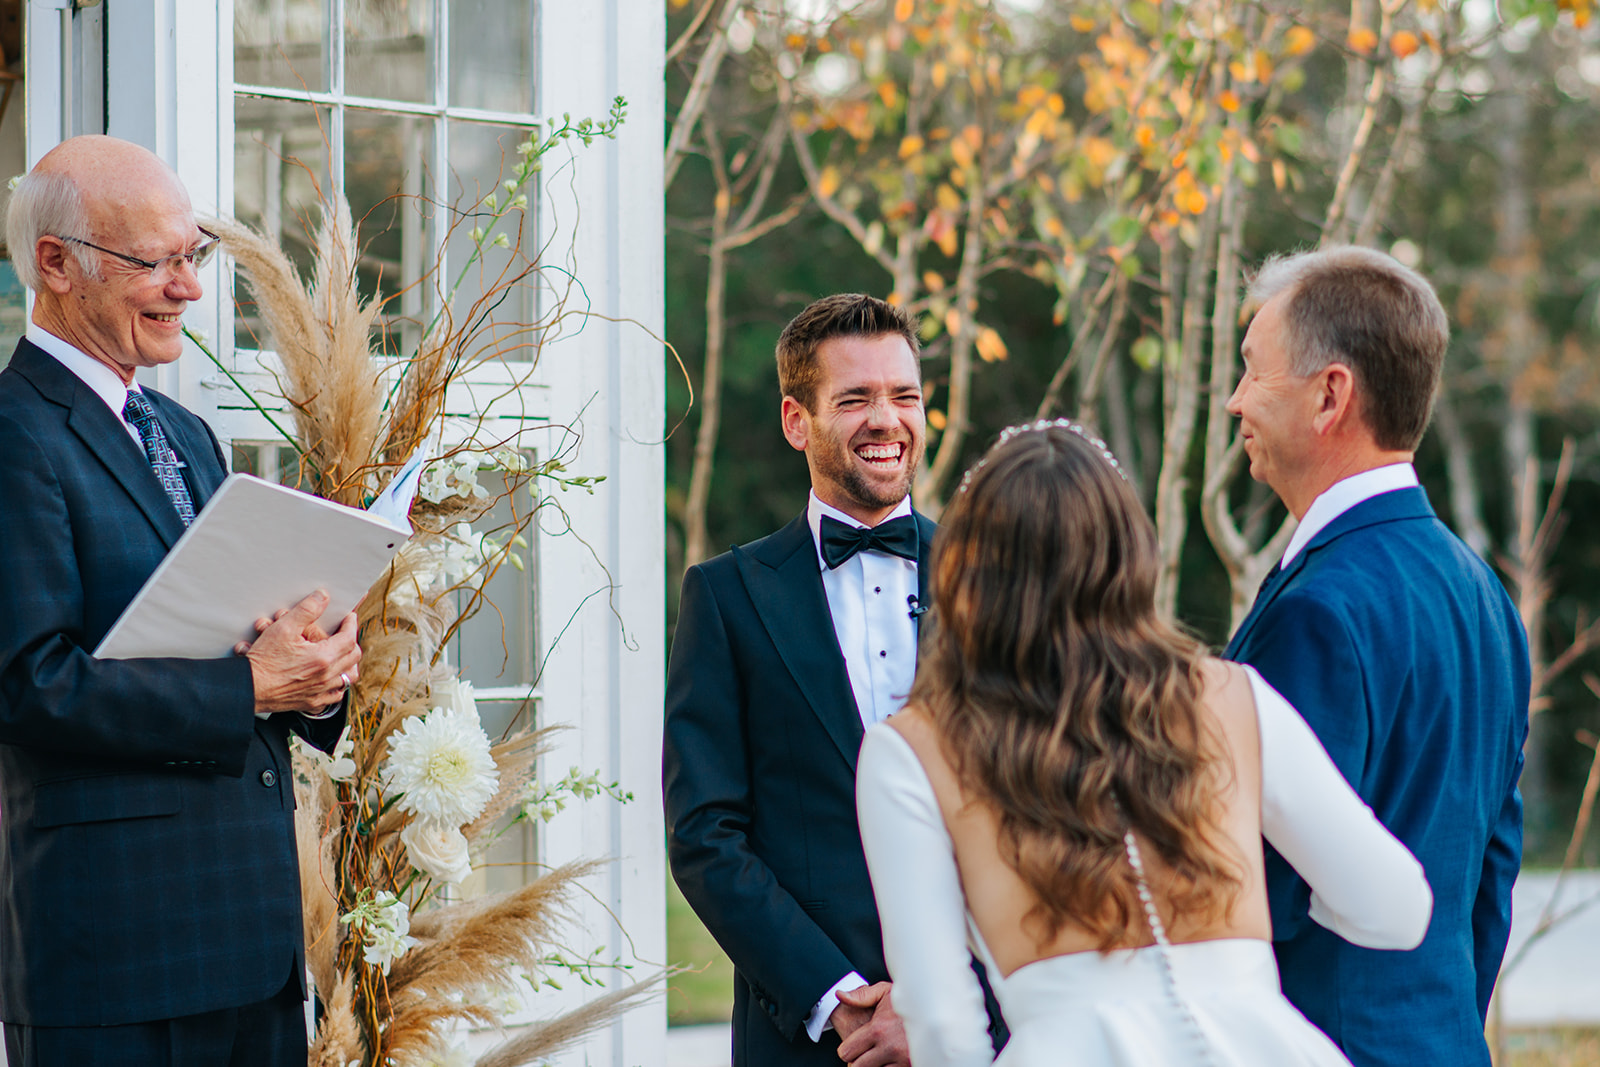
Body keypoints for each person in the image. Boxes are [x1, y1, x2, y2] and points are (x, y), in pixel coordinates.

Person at [856, 420, 1433, 1067]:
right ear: (1131, 556)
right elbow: (1396, 906)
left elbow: (943, 1025)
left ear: (965, 568)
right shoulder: (1230, 695)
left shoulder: (912, 750)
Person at [0, 135, 361, 1066]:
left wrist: (316, 673)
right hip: (115, 964)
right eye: (157, 262)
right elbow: (28, 686)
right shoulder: (12, 435)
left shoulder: (187, 433)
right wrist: (249, 688)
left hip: (253, 952)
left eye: (190, 257)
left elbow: (244, 641)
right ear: (56, 265)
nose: (189, 290)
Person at [665, 293, 1004, 1067]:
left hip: (987, 1031)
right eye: (855, 399)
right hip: (807, 1040)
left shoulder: (996, 581)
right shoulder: (725, 596)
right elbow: (705, 834)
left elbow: (1039, 812)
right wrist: (838, 999)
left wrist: (949, 1005)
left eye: (904, 396)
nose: (886, 419)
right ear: (796, 421)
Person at [1222, 246, 1529, 1067]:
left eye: (1254, 371)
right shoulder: (1484, 594)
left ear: (1330, 395)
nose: (1234, 400)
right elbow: (1492, 867)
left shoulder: (1319, 611)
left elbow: (1256, 888)